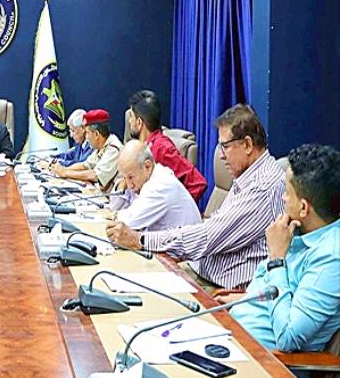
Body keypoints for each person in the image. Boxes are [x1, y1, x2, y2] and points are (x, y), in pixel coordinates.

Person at [106, 104, 285, 291]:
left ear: (247, 145)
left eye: (225, 147)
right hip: (198, 269)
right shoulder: (248, 176)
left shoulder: (263, 187)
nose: (221, 156)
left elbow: (208, 238)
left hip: (217, 288)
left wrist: (141, 240)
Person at [229, 144, 340, 378]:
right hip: (232, 342)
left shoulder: (331, 257)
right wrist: (243, 300)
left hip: (263, 366)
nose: (282, 198)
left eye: (287, 193)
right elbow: (268, 290)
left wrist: (277, 259)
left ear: (304, 207)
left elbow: (288, 337)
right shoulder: (295, 232)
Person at [127, 90, 207, 201]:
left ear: (139, 122)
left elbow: (198, 183)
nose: (129, 121)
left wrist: (177, 207)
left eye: (131, 117)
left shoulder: (162, 148)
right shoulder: (145, 147)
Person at [109, 140, 201, 231]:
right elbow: (118, 206)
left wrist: (114, 215)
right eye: (124, 178)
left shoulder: (160, 185)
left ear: (147, 166)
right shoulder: (148, 177)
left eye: (130, 177)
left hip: (185, 240)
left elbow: (130, 222)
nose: (129, 186)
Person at [52, 109, 123, 191]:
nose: (86, 137)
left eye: (87, 133)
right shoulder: (101, 146)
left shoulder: (113, 149)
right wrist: (63, 170)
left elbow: (95, 175)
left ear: (96, 134)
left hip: (110, 197)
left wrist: (65, 173)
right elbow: (85, 165)